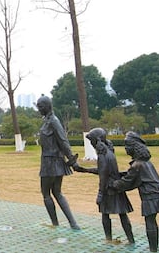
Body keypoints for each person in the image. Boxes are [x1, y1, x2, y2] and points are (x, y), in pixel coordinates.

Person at [110, 131, 159, 252]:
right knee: (151, 220)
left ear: (134, 147)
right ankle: (154, 247)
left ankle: (153, 249)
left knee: (149, 221)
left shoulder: (137, 165)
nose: (126, 148)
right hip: (158, 193)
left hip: (151, 195)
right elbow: (131, 175)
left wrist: (113, 184)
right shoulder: (144, 162)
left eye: (127, 145)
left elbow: (128, 182)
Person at [74, 128, 135, 244]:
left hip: (108, 188)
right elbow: (103, 171)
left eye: (91, 140)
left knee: (105, 214)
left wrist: (100, 194)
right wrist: (84, 170)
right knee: (122, 214)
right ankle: (131, 239)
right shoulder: (109, 151)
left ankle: (108, 239)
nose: (91, 144)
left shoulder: (102, 155)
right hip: (116, 186)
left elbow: (103, 176)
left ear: (96, 140)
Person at [35, 95, 80, 229]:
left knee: (47, 193)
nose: (39, 109)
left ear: (48, 106)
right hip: (50, 161)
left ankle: (62, 223)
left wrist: (71, 159)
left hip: (51, 162)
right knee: (55, 192)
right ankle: (70, 223)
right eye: (38, 106)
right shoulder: (47, 121)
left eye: (41, 106)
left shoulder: (54, 121)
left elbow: (63, 141)